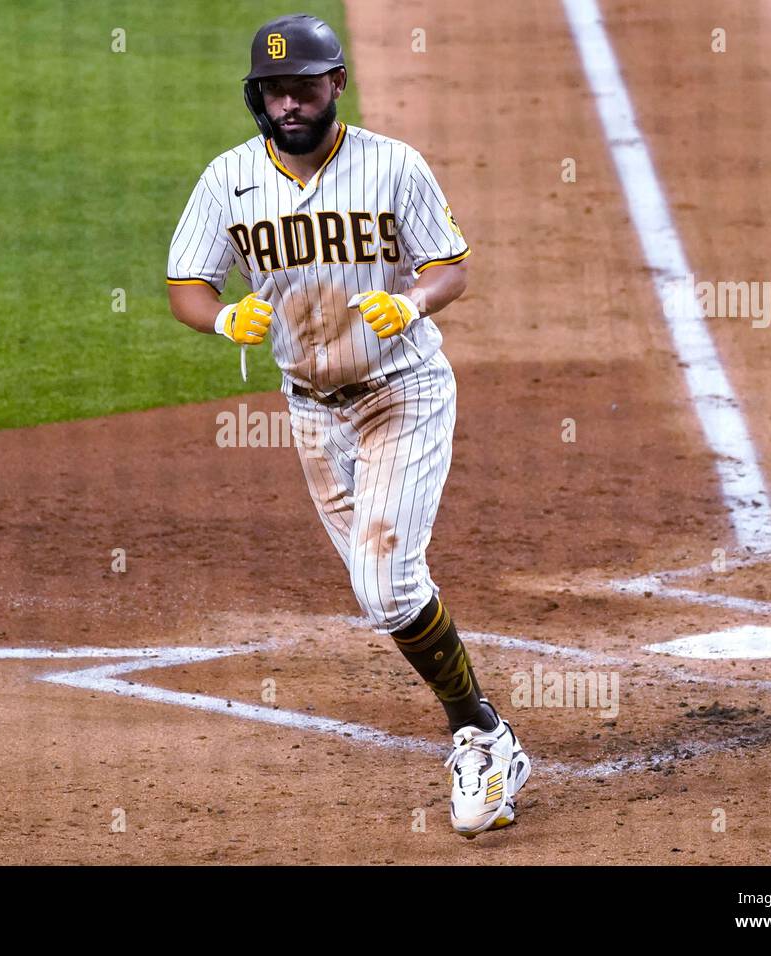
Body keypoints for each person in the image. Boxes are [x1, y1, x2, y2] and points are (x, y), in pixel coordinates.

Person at [166, 13, 531, 836]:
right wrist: (221, 322)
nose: (287, 102)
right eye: (271, 90)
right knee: (385, 593)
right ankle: (482, 726)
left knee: (387, 583)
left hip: (402, 390)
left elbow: (451, 270)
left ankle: (481, 736)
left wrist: (411, 301)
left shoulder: (393, 166)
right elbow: (188, 284)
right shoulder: (228, 179)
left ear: (336, 84)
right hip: (311, 413)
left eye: (302, 85)